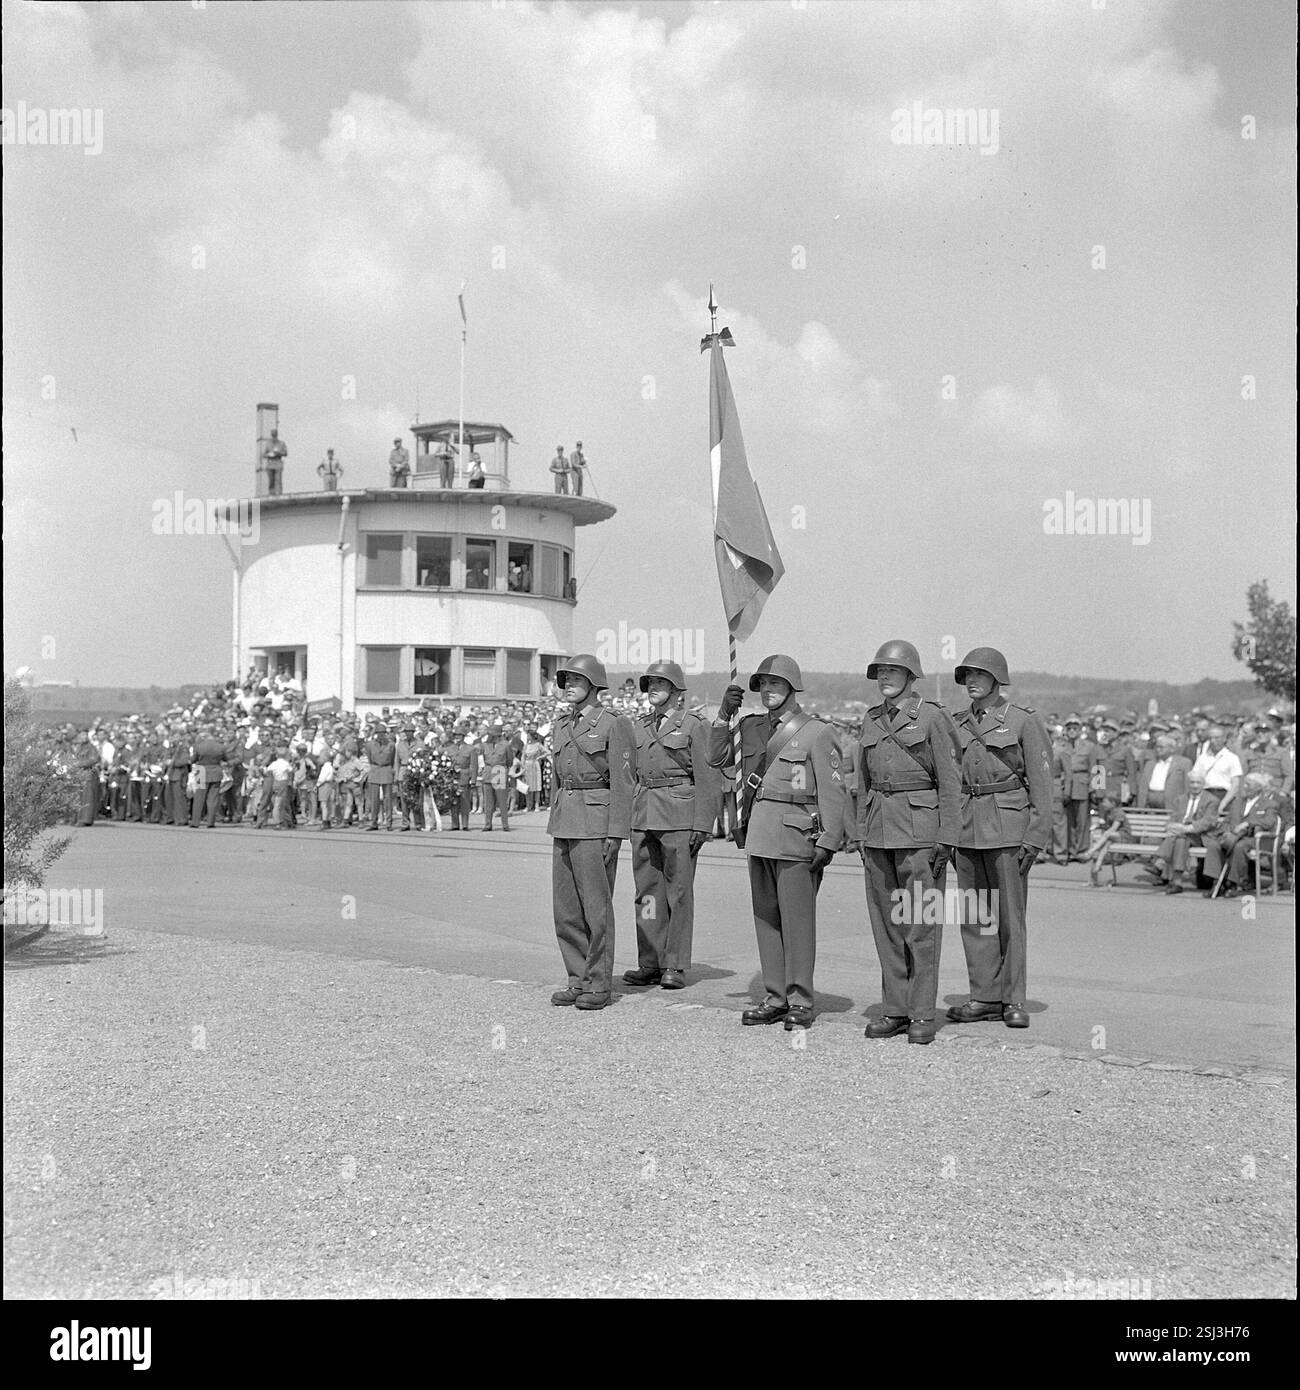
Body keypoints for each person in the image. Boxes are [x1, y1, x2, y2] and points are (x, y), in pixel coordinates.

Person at [707, 655, 847, 1030]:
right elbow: (714, 756)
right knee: (767, 921)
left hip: (797, 836)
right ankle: (775, 997)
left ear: (791, 688)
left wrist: (830, 839)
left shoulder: (817, 732)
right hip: (760, 836)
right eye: (763, 684)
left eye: (776, 684)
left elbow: (833, 791)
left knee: (798, 923)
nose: (768, 691)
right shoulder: (749, 727)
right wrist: (723, 715)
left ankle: (800, 1000)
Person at [849, 641, 962, 1046]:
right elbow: (862, 783)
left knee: (920, 926)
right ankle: (894, 1009)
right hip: (879, 831)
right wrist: (861, 832)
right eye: (879, 671)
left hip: (920, 833)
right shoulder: (871, 719)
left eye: (892, 671)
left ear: (911, 677)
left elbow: (951, 782)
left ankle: (921, 1013)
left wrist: (947, 837)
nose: (884, 678)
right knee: (887, 925)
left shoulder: (931, 718)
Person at [946, 647, 1053, 1031]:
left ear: (996, 680)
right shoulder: (955, 723)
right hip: (967, 827)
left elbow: (1042, 785)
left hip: (1009, 826)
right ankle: (984, 996)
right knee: (975, 917)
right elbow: (950, 780)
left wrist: (1035, 837)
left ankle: (1013, 999)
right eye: (967, 676)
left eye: (980, 675)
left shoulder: (1023, 722)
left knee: (1010, 918)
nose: (972, 682)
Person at [547, 654, 637, 1011]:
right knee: (566, 908)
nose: (568, 685)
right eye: (565, 679)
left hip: (596, 821)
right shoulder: (560, 723)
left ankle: (598, 982)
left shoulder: (614, 724)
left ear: (594, 685)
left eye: (576, 679)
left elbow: (624, 781)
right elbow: (557, 777)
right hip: (566, 820)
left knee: (595, 907)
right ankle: (577, 978)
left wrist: (616, 832)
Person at [623, 660, 717, 992]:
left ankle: (674, 963)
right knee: (646, 892)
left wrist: (703, 823)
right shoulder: (639, 725)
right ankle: (649, 960)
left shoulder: (694, 725)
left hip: (680, 814)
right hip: (644, 813)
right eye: (649, 683)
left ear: (676, 691)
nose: (653, 689)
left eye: (660, 684)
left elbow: (708, 777)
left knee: (678, 893)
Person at [1201, 772, 1287, 897]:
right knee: (1214, 844)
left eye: (1248, 784)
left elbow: (1269, 822)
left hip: (1253, 839)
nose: (1244, 787)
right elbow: (1227, 821)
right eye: (1244, 784)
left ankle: (1233, 883)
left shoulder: (1269, 803)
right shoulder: (1238, 802)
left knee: (1239, 847)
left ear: (1258, 787)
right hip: (1233, 836)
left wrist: (1248, 823)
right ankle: (1216, 883)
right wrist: (1225, 831)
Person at [1139, 772, 1225, 894]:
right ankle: (1177, 883)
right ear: (1188, 784)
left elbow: (1208, 822)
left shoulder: (1212, 800)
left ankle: (1160, 862)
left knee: (1181, 836)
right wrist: (1171, 826)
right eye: (1192, 782)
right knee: (1180, 841)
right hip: (1182, 835)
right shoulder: (1180, 799)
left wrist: (1187, 828)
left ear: (1203, 784)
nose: (1195, 786)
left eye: (1198, 783)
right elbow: (1173, 817)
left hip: (1202, 835)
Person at [1056, 715, 1098, 861]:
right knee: (1067, 821)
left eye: (1075, 728)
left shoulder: (1090, 746)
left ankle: (1081, 850)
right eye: (1069, 728)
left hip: (1082, 785)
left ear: (1080, 730)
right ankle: (1069, 849)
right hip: (1065, 786)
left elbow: (1096, 768)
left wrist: (1095, 789)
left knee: (1082, 821)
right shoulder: (1061, 746)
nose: (1072, 731)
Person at [1135, 734, 1192, 816]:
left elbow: (1187, 786)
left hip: (1172, 804)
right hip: (1150, 805)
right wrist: (1140, 806)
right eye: (1157, 747)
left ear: (1172, 749)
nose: (1158, 749)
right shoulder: (1150, 764)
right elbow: (1143, 786)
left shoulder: (1184, 763)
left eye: (1161, 747)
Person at [480, 722, 514, 830]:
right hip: (488, 772)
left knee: (502, 801)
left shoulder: (506, 745)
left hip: (499, 771)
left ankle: (505, 824)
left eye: (491, 734)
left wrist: (504, 769)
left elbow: (510, 761)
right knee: (488, 802)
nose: (489, 736)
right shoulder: (485, 745)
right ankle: (488, 824)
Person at [364, 724, 397, 830]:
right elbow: (370, 758)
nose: (381, 735)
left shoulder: (391, 745)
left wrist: (391, 770)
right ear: (376, 734)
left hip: (386, 769)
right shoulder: (369, 745)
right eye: (379, 733)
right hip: (375, 770)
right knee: (374, 799)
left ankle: (389, 823)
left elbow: (392, 759)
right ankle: (374, 822)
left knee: (388, 799)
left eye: (383, 733)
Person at [449, 731, 480, 830]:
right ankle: (455, 824)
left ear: (463, 737)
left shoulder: (470, 749)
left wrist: (473, 780)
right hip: (452, 777)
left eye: (459, 735)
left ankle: (465, 824)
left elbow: (474, 765)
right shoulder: (450, 748)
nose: (457, 737)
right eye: (455, 735)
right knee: (453, 802)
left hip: (464, 776)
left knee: (464, 802)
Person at [262, 429, 287, 496]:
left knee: (278, 480)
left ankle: (279, 493)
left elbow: (285, 453)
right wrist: (268, 455)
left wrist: (278, 453)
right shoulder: (268, 444)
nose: (274, 436)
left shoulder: (282, 443)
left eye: (275, 435)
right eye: (273, 435)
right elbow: (264, 454)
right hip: (270, 464)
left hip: (278, 463)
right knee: (271, 480)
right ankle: (271, 493)